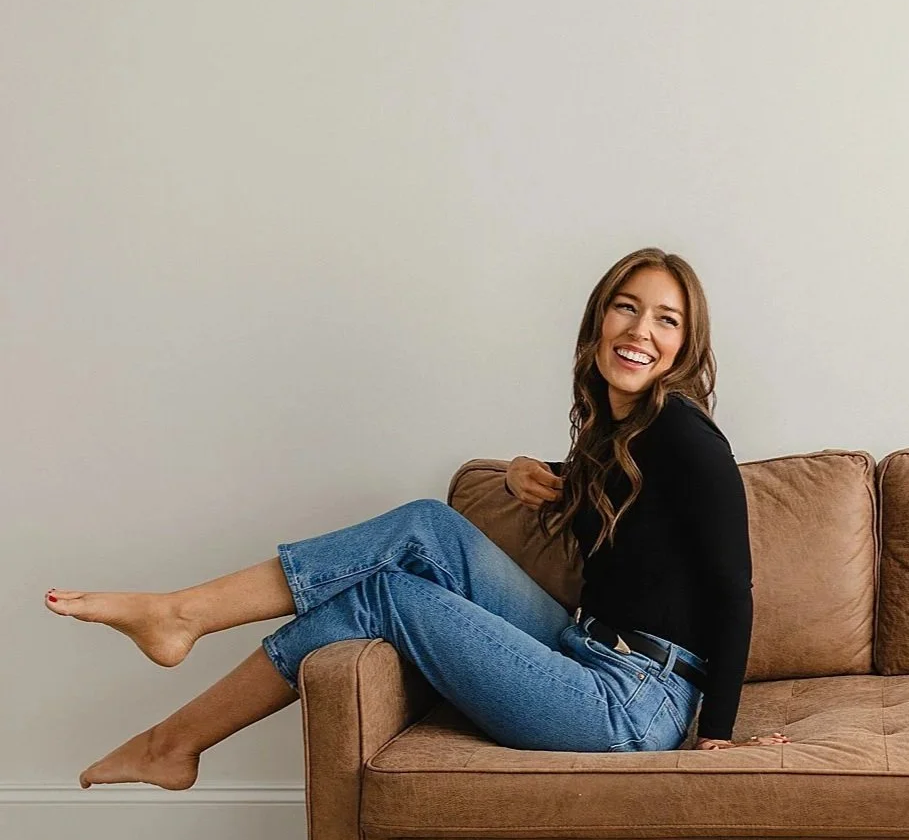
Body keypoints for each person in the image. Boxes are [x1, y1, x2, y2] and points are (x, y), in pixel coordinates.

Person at [44, 247, 788, 789]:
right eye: (627, 306)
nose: (641, 330)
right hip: (582, 646)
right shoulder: (617, 436)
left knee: (385, 594)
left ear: (685, 345)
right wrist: (562, 480)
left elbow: (733, 587)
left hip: (630, 703)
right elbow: (642, 539)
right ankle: (180, 631)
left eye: (666, 319)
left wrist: (716, 734)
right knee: (425, 526)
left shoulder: (685, 433)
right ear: (598, 319)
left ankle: (174, 713)